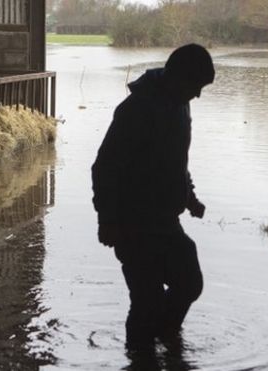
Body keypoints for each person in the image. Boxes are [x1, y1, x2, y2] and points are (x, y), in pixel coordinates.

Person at [91, 44, 215, 353]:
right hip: (133, 225)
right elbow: (104, 168)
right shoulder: (136, 109)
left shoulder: (179, 104)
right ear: (176, 78)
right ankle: (140, 356)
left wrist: (190, 197)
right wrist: (107, 221)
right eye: (195, 86)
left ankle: (166, 337)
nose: (198, 95)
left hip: (165, 221)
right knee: (146, 302)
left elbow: (176, 162)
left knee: (189, 282)